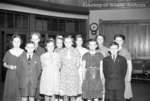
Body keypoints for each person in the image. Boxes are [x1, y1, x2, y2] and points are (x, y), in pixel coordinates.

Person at [3, 34, 24, 101]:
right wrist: (9, 66)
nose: (16, 43)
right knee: (10, 94)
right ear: (12, 42)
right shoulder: (8, 52)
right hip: (10, 76)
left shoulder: (24, 52)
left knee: (20, 94)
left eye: (18, 41)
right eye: (15, 41)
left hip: (21, 76)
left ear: (20, 42)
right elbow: (4, 64)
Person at [59, 35, 80, 101]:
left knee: (73, 95)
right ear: (64, 43)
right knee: (65, 95)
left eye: (69, 42)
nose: (67, 43)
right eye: (66, 42)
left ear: (72, 43)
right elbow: (59, 65)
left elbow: (78, 64)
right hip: (64, 75)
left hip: (73, 75)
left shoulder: (76, 51)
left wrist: (72, 68)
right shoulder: (61, 52)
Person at [114, 34, 133, 101]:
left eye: (120, 40)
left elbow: (129, 64)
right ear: (114, 40)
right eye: (117, 40)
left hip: (124, 74)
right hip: (114, 75)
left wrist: (129, 75)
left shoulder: (125, 51)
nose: (118, 41)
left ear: (123, 41)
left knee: (126, 93)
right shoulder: (111, 50)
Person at [30, 32, 45, 101]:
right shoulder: (28, 49)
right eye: (33, 39)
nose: (34, 41)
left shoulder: (42, 50)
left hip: (39, 77)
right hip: (30, 76)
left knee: (38, 96)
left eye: (36, 39)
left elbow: (44, 65)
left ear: (39, 40)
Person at [75, 34, 88, 101]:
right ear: (75, 41)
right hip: (75, 72)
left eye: (81, 40)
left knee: (83, 90)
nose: (79, 42)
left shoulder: (86, 50)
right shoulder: (73, 50)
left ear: (82, 41)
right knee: (75, 90)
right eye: (78, 40)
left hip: (83, 72)